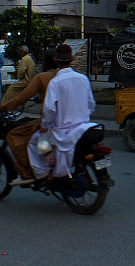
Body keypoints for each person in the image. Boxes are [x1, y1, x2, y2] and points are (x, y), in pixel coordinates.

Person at [27, 44, 96, 180]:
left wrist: (45, 126)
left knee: (35, 142)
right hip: (83, 127)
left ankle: (45, 173)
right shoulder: (83, 79)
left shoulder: (56, 82)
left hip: (62, 132)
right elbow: (91, 104)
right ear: (72, 59)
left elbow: (49, 110)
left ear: (56, 60)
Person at [2, 49, 58, 186]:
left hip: (49, 122)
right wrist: (40, 98)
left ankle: (28, 173)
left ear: (45, 63)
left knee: (14, 135)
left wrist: (3, 107)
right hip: (69, 121)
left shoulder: (42, 77)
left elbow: (20, 98)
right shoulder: (64, 76)